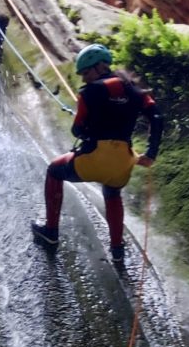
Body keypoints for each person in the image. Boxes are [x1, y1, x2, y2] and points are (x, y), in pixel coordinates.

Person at [31, 44, 164, 262]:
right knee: (112, 191)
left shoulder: (90, 92)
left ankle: (51, 232)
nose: (84, 79)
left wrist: (87, 123)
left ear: (100, 67)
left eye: (86, 72)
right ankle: (117, 249)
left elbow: (77, 129)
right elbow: (157, 118)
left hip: (93, 159)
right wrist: (151, 153)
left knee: (54, 170)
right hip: (122, 164)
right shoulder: (137, 91)